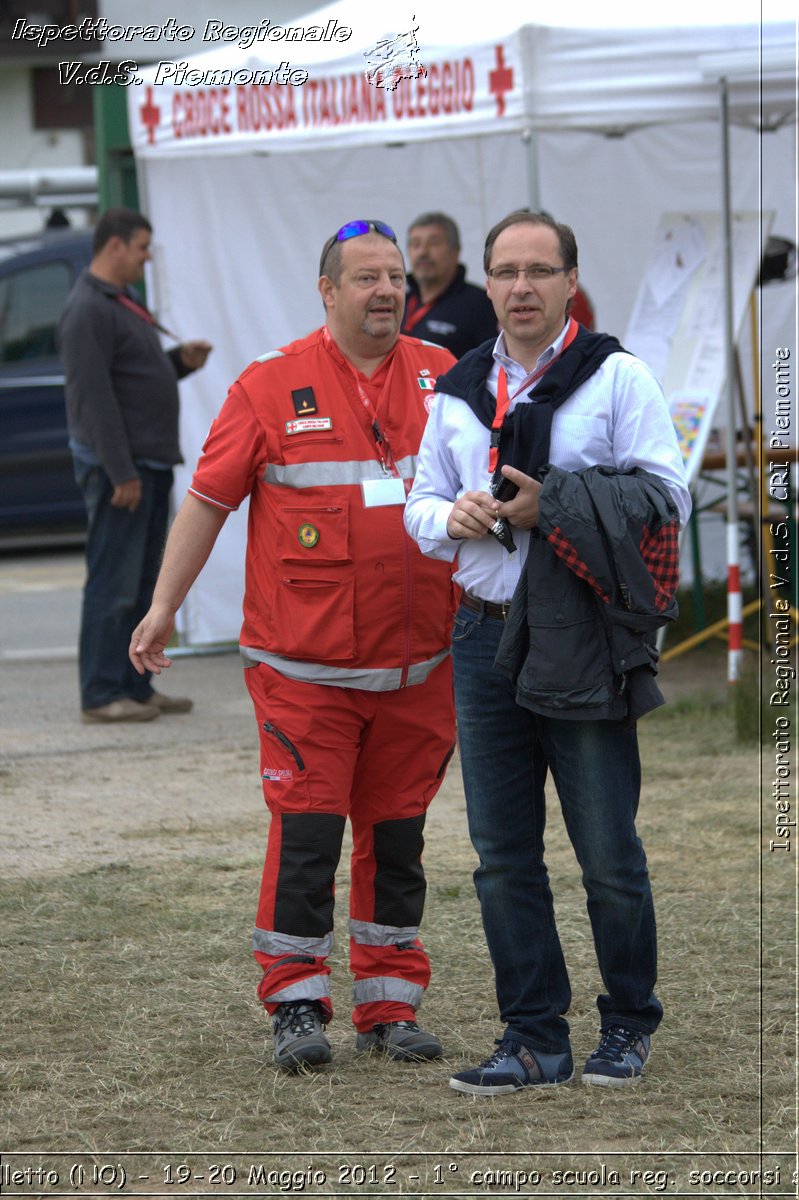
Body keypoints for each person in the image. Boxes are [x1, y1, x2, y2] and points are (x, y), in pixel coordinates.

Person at [129, 218, 458, 1072]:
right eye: (364, 277)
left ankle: (389, 1004)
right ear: (326, 290)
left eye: (393, 276)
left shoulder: (445, 377)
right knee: (308, 837)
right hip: (303, 672)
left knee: (397, 838)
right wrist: (164, 604)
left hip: (420, 668)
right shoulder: (269, 385)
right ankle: (296, 1001)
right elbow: (206, 501)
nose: (385, 289)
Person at [405, 210, 692, 1095]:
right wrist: (449, 516)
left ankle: (628, 1025)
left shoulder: (614, 377)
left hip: (580, 634)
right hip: (483, 632)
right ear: (483, 284)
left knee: (606, 851)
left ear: (570, 280)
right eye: (504, 271)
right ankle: (533, 1038)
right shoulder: (455, 388)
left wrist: (554, 502)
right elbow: (416, 504)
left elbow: (667, 495)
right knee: (501, 858)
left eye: (538, 270)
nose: (520, 287)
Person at [57, 207, 212, 724]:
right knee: (113, 582)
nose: (147, 258)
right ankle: (102, 693)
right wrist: (119, 471)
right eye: (142, 247)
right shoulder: (87, 308)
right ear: (116, 245)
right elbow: (93, 400)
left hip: (144, 463)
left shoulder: (119, 302)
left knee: (145, 582)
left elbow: (129, 378)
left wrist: (177, 364)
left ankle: (136, 686)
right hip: (122, 471)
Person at [401, 211, 497, 358]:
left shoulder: (481, 304)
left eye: (433, 243)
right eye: (416, 244)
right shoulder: (399, 301)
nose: (423, 252)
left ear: (456, 251)